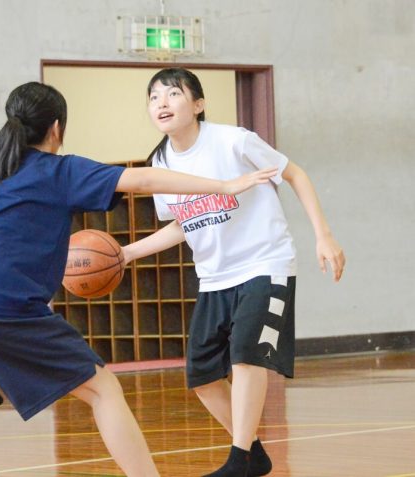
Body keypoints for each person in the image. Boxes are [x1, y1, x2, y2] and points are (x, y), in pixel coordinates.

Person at [0, 81, 277, 477]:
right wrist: (225, 184)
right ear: (56, 128)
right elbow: (145, 180)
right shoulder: (57, 171)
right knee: (103, 390)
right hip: (0, 306)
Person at [122, 68, 345, 477]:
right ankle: (254, 453)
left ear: (199, 104)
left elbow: (294, 173)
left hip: (265, 262)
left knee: (245, 355)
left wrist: (323, 235)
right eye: (154, 98)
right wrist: (125, 253)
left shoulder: (234, 140)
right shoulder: (160, 164)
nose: (162, 103)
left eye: (173, 94)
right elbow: (181, 223)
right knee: (203, 376)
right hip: (214, 276)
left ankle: (238, 460)